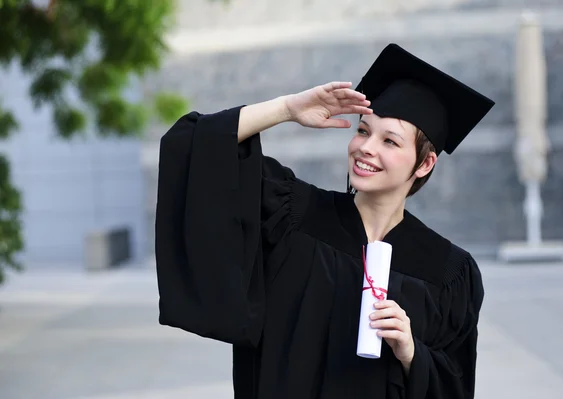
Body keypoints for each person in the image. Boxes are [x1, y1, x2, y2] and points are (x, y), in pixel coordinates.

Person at [154, 43, 495, 399]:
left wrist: (411, 352)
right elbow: (198, 146)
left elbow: (454, 385)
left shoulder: (448, 272)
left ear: (424, 164)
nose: (366, 147)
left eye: (389, 141)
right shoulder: (292, 215)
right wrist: (287, 108)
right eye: (363, 131)